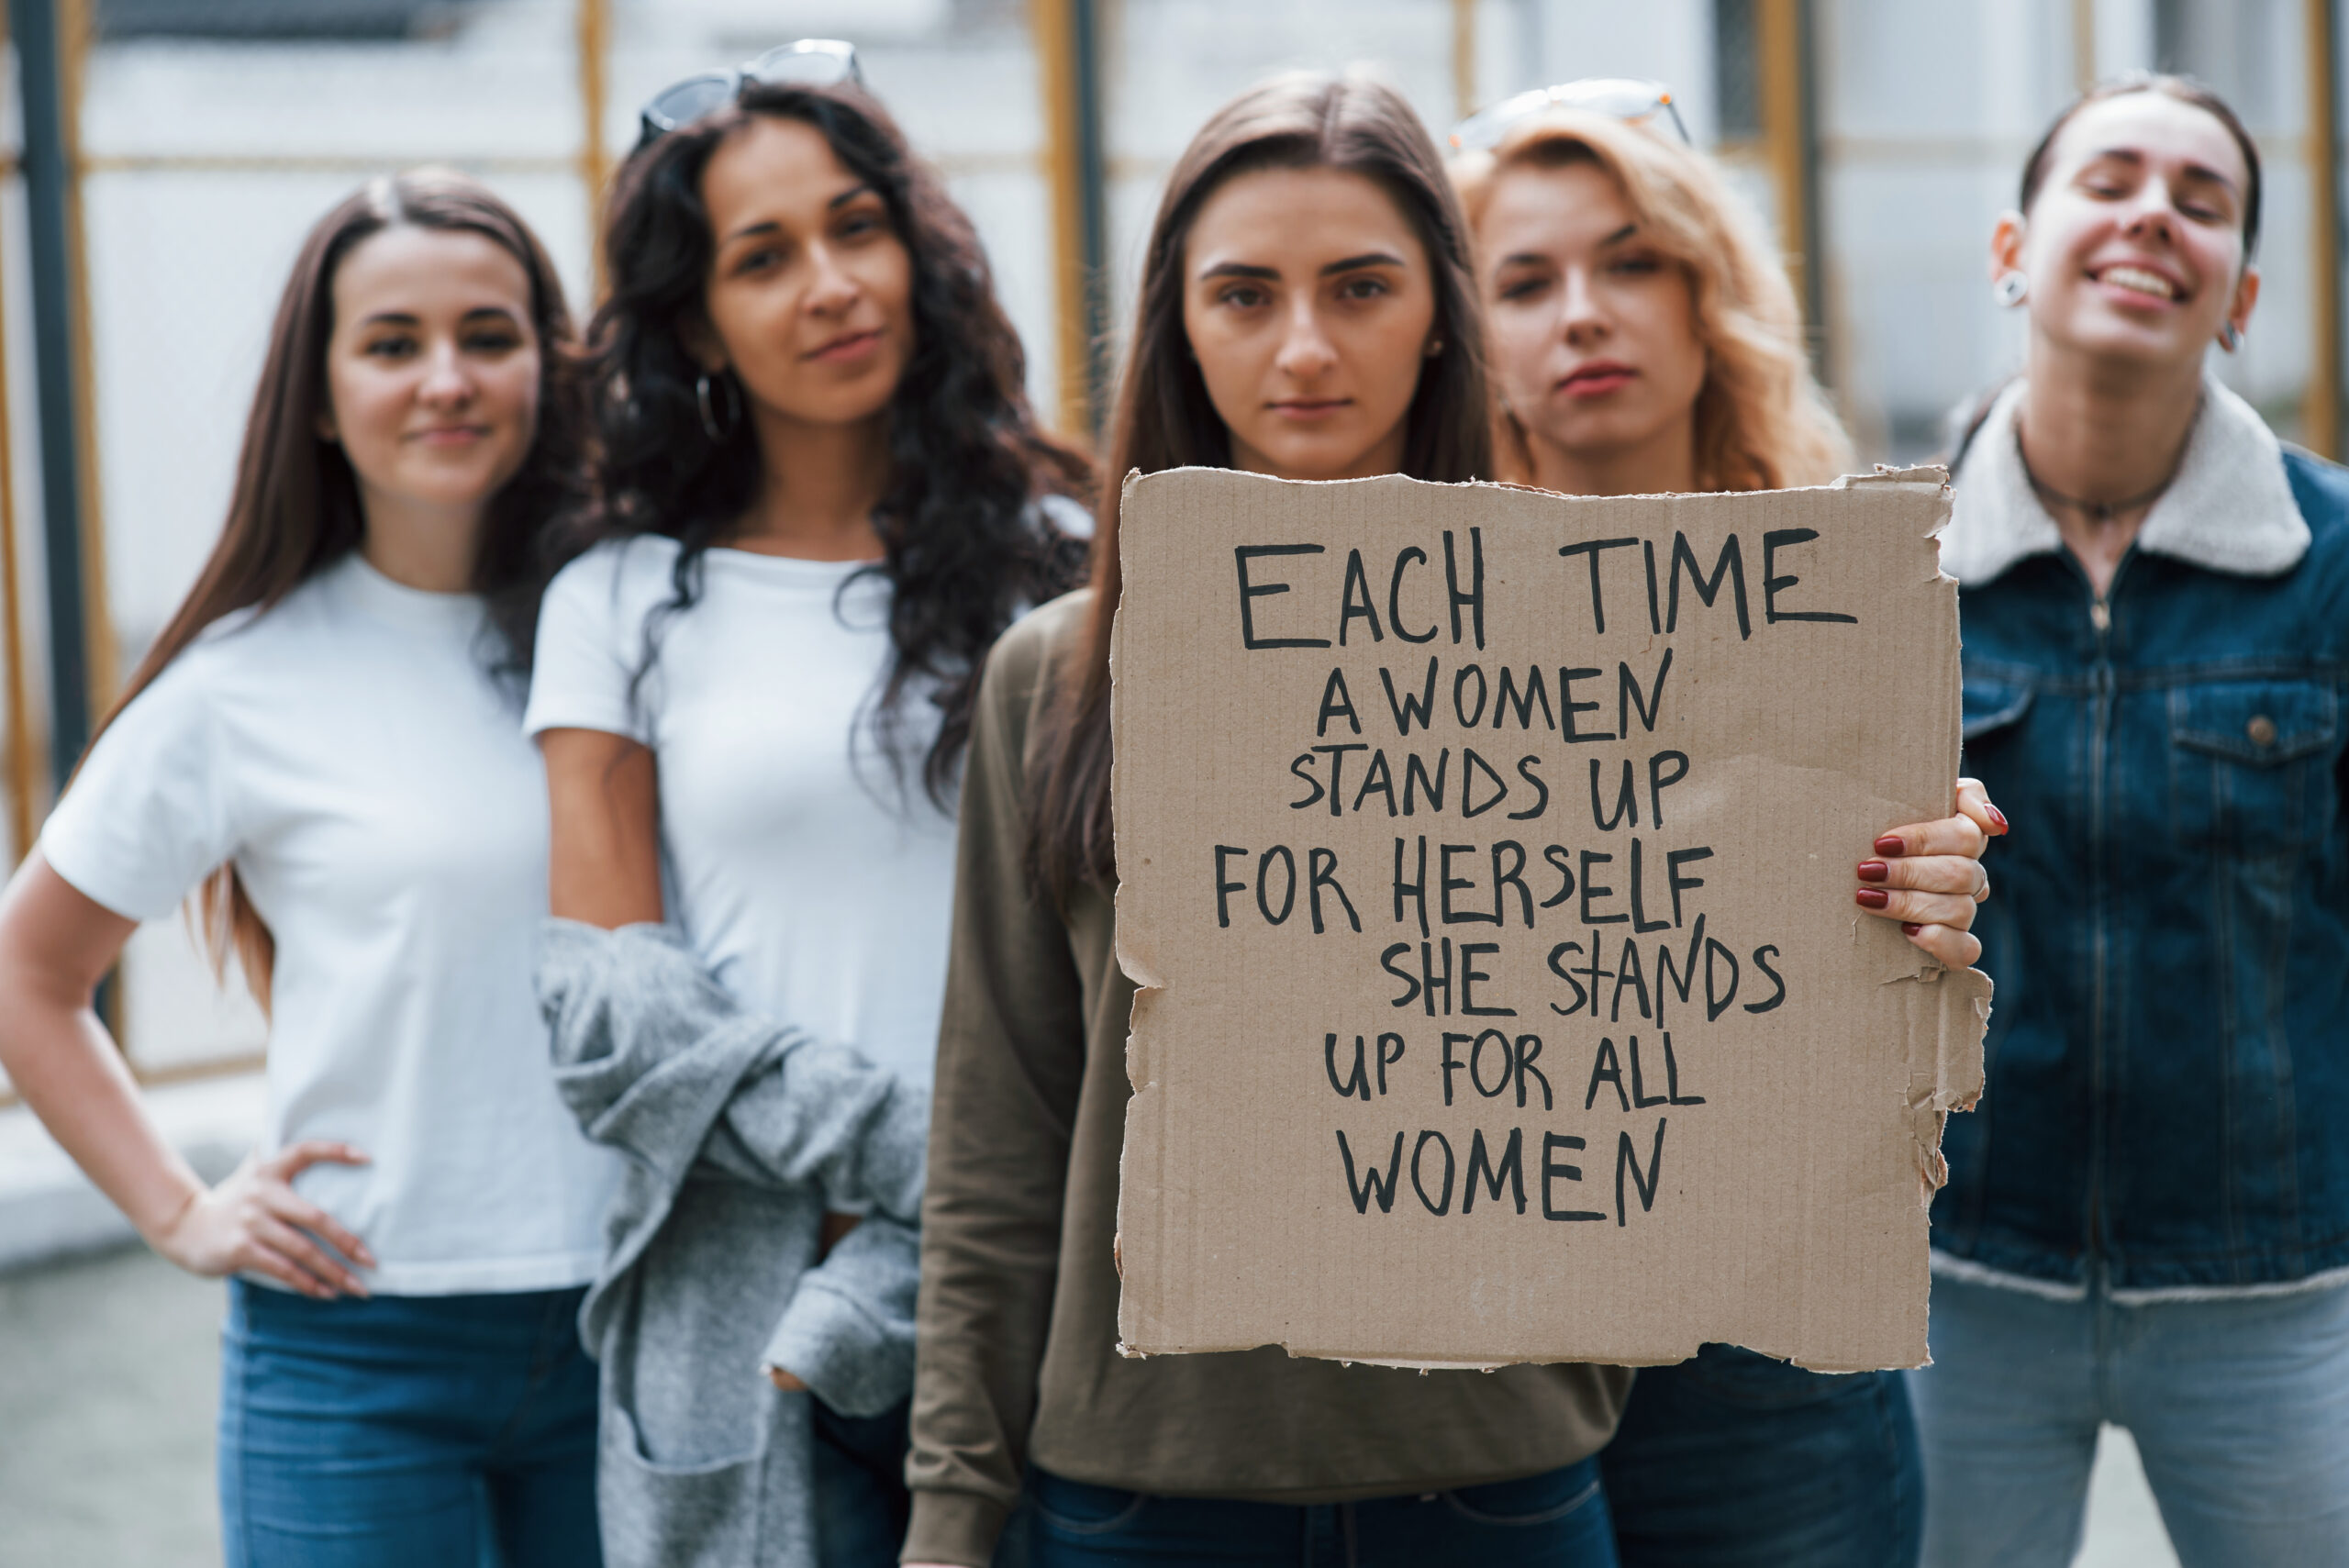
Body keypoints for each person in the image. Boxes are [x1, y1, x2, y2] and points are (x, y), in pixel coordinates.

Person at [902, 72, 1993, 1568]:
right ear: (1177, 325)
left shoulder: (1607, 644)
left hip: (1504, 1482)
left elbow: (1739, 1033)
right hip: (1138, 1493)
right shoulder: (1056, 672)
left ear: (1437, 312)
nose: (1304, 346)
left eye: (1361, 287)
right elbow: (998, 1136)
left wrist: (1905, 899)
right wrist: (948, 1520)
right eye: (1243, 293)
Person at [525, 51, 1089, 1568]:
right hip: (755, 1307)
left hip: (1046, 1304)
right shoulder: (619, 599)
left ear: (919, 251)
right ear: (696, 320)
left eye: (857, 228)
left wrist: (988, 1207)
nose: (831, 285)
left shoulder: (1067, 560)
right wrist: (936, 1163)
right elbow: (612, 1008)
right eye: (763, 257)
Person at [0, 172, 611, 1566]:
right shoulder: (241, 685)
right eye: (393, 343)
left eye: (489, 336)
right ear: (323, 398)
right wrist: (180, 1209)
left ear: (548, 368)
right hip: (353, 1343)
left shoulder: (629, 626)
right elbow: (28, 975)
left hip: (627, 1322)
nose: (446, 378)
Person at [1451, 87, 2002, 1567]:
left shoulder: (1858, 599)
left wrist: (1934, 903)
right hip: (1479, 1347)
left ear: (1712, 297)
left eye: (1632, 261)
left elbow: (1905, 1035)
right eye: (1525, 280)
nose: (1583, 311)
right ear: (1474, 339)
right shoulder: (1404, 633)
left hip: (1769, 1353)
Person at [1913, 73, 2349, 1567]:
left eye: (2201, 201)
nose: (2154, 215)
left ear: (2240, 299)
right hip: (1957, 1276)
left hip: (2276, 1290)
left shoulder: (2335, 564)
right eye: (2109, 184)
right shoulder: (1886, 563)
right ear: (2012, 251)